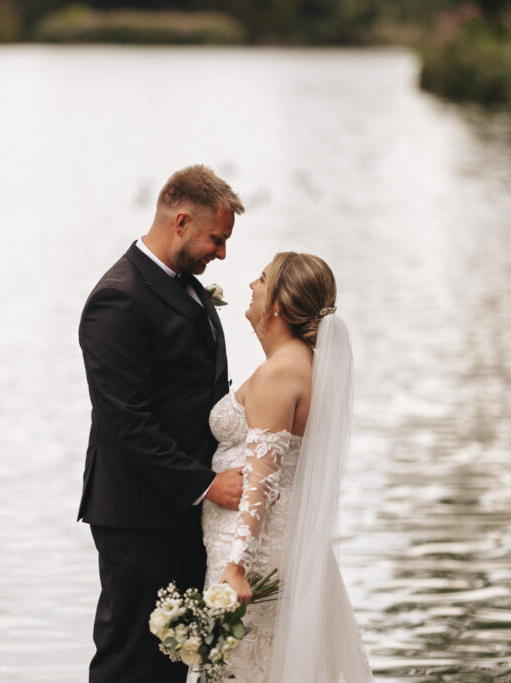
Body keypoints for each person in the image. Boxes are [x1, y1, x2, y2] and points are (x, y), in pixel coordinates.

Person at [77, 165, 246, 683]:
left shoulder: (189, 289)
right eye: (216, 240)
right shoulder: (118, 298)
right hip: (137, 515)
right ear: (180, 222)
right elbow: (125, 421)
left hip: (181, 514)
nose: (221, 254)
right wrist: (207, 486)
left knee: (175, 660)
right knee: (129, 661)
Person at [194, 252, 372, 682]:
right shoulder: (304, 367)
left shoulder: (280, 373)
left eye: (261, 279)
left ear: (277, 304)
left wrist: (236, 568)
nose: (251, 285)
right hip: (277, 542)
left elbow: (262, 479)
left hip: (252, 552)